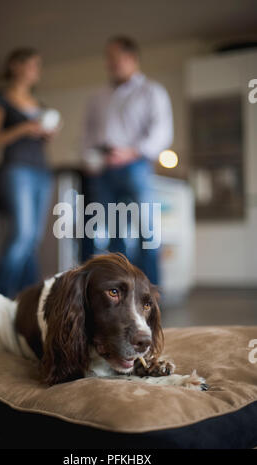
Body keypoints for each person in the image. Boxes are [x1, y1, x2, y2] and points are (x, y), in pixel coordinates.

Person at [81, 36, 173, 284]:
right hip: (103, 169)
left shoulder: (151, 91)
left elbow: (162, 132)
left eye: (115, 57)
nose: (110, 63)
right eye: (108, 58)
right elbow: (88, 133)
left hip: (136, 166)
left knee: (146, 230)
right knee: (114, 233)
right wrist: (89, 158)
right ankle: (118, 294)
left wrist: (131, 152)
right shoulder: (98, 96)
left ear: (132, 58)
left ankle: (150, 294)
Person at [0, 48, 59, 297]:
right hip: (16, 170)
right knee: (22, 236)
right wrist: (24, 128)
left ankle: (30, 300)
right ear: (15, 65)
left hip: (41, 172)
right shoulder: (1, 101)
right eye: (32, 65)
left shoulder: (40, 105)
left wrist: (45, 133)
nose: (36, 71)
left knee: (33, 241)